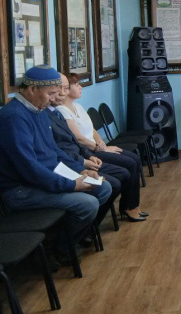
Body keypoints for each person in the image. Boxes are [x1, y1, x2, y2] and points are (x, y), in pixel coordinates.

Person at [0, 65, 111, 262]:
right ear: (32, 89)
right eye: (50, 93)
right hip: (21, 190)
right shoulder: (14, 117)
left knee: (103, 188)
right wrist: (71, 184)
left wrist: (80, 170)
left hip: (46, 178)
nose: (53, 99)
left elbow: (55, 152)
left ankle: (64, 239)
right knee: (88, 204)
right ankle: (59, 250)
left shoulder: (39, 110)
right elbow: (29, 168)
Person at [49, 73, 147, 222]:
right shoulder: (61, 111)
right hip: (88, 151)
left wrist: (102, 144)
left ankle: (131, 206)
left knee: (133, 159)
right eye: (76, 85)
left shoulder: (78, 106)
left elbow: (92, 129)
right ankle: (125, 209)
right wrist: (99, 149)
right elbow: (77, 138)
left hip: (91, 150)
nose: (80, 87)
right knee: (128, 165)